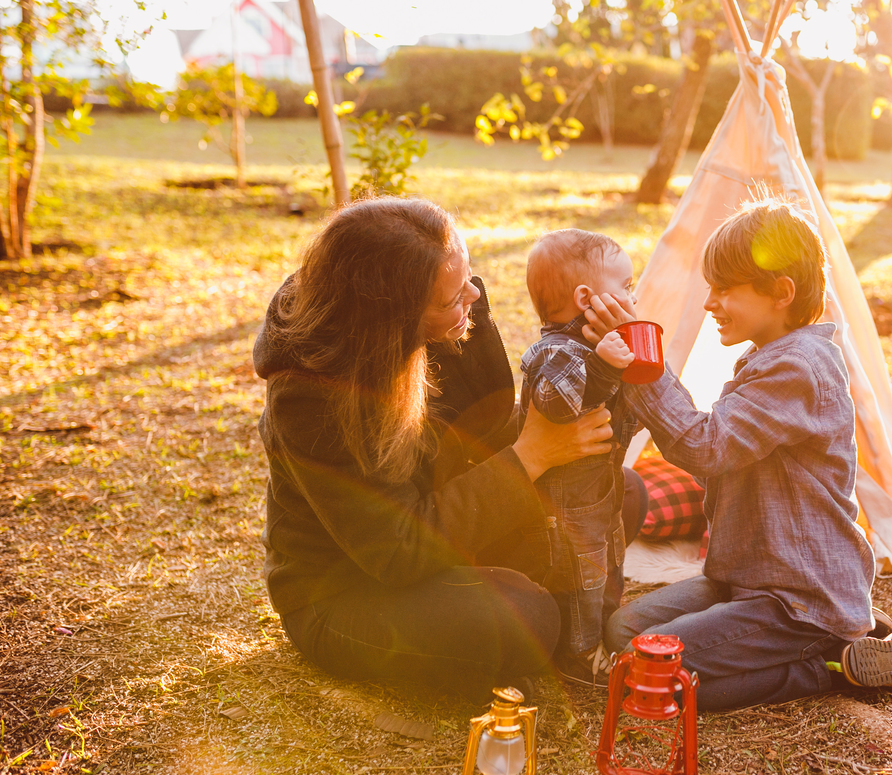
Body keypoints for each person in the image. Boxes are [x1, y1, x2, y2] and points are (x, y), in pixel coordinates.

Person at [253, 197, 624, 699]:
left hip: (442, 528)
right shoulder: (312, 397)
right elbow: (397, 551)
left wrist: (593, 354)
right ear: (390, 320)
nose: (472, 294)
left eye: (469, 279)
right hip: (347, 591)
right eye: (451, 299)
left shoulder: (446, 305)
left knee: (611, 494)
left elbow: (487, 427)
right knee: (528, 618)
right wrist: (533, 456)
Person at [595, 198, 892, 711]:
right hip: (744, 581)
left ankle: (828, 665)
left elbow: (706, 446)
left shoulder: (799, 369)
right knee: (625, 629)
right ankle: (847, 633)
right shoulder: (769, 357)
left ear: (780, 293)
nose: (709, 303)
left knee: (654, 674)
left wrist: (644, 366)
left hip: (797, 600)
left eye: (724, 288)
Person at [518, 229, 640, 687]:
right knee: (580, 576)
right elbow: (555, 403)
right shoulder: (555, 351)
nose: (633, 294)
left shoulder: (593, 344)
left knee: (608, 562)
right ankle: (578, 654)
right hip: (567, 505)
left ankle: (604, 632)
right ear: (586, 297)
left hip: (600, 491)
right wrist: (605, 367)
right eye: (626, 285)